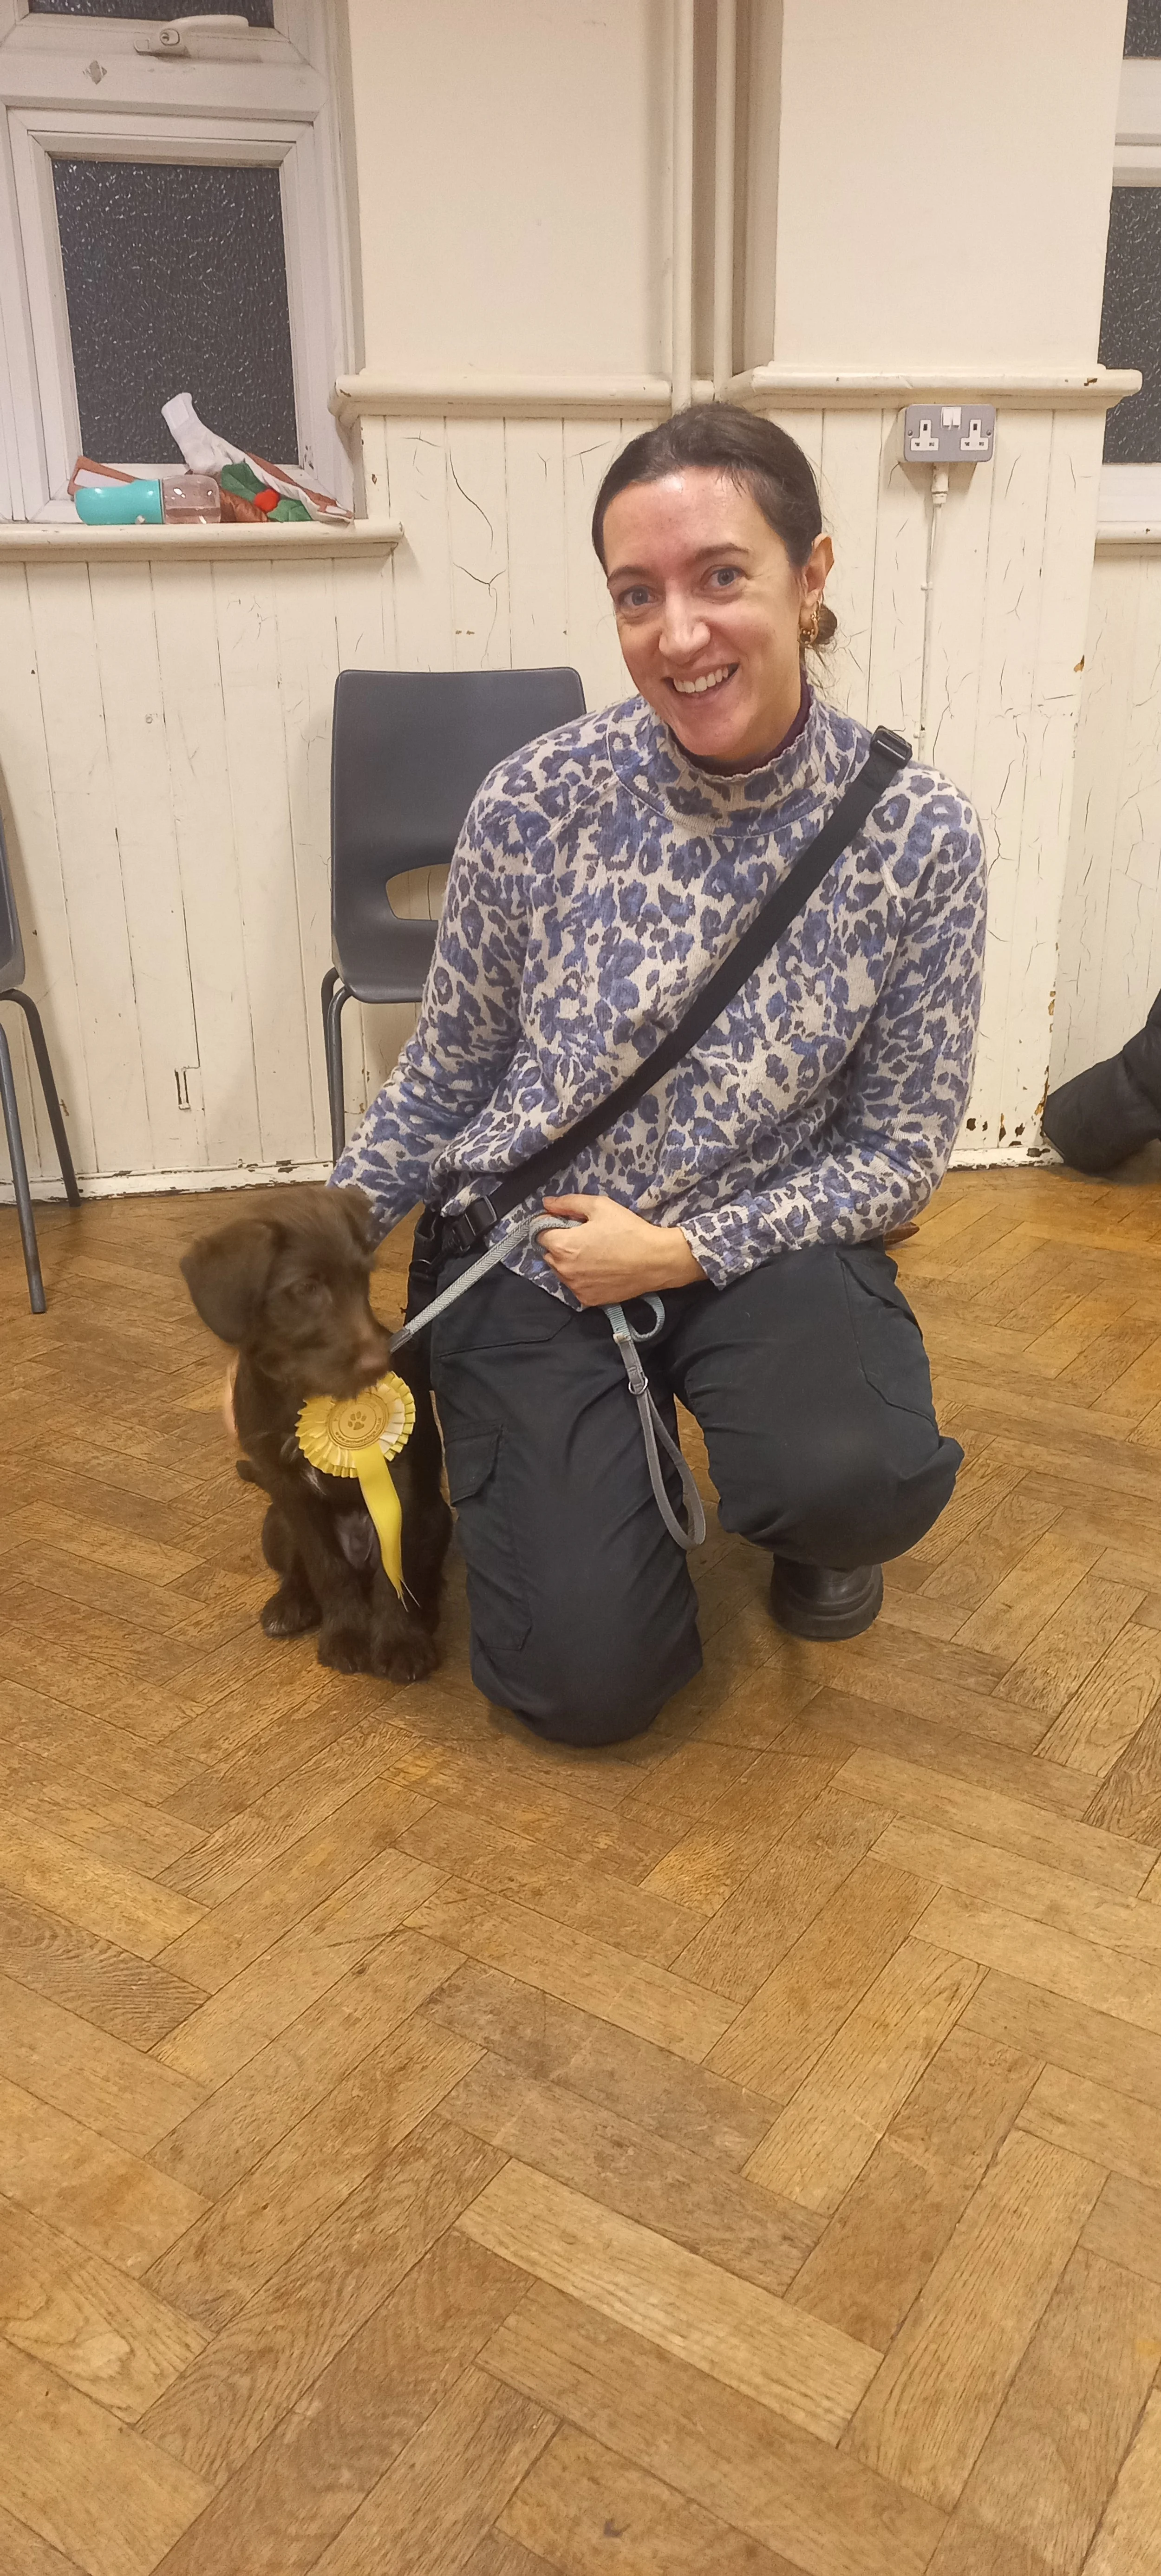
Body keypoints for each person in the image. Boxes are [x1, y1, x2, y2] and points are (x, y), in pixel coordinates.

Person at [333, 403, 986, 1748]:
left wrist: (685, 1249)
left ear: (811, 580)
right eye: (638, 595)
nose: (676, 633)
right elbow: (445, 1075)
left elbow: (899, 1155)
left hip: (762, 1247)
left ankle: (815, 1523)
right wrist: (318, 1263)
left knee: (855, 1471)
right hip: (536, 1250)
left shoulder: (917, 836)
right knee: (584, 1689)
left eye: (720, 577)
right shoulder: (534, 800)